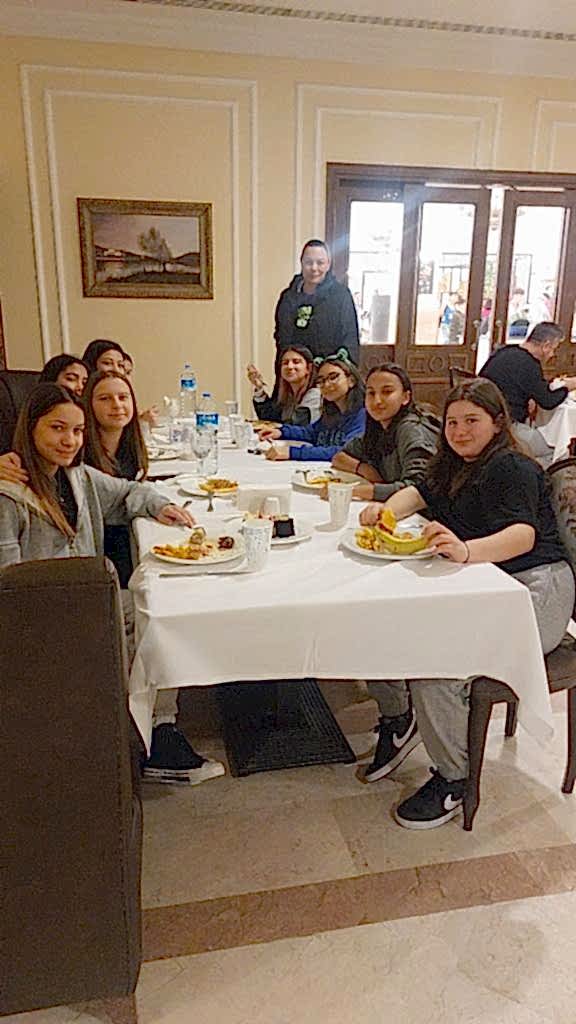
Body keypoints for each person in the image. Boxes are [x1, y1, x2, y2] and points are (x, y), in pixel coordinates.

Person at [359, 378, 574, 829]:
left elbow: (523, 536)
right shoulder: (452, 463)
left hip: (535, 590)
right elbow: (419, 492)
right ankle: (401, 718)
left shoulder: (512, 467)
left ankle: (454, 779)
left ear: (497, 422)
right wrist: (386, 512)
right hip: (487, 584)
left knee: (439, 666)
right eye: (452, 422)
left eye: (471, 421)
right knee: (380, 619)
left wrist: (465, 550)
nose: (459, 431)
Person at [0, 384, 225, 786]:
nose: (69, 441)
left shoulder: (76, 477)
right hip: (41, 622)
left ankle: (158, 729)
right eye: (57, 428)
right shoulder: (10, 495)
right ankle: (150, 737)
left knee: (159, 612)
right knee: (151, 623)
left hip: (89, 603)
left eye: (77, 431)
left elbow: (127, 492)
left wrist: (161, 506)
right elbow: (9, 586)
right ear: (30, 428)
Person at [332, 363, 440, 501]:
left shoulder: (412, 429)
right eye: (371, 393)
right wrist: (363, 468)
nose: (377, 401)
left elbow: (418, 488)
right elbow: (340, 457)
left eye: (387, 392)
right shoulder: (378, 427)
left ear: (406, 397)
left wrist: (350, 491)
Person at [82, 370, 148, 588]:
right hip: (99, 550)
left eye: (123, 397)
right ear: (89, 405)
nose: (117, 405)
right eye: (105, 398)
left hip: (123, 538)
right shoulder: (78, 451)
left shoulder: (130, 446)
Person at [480, 321, 576, 466]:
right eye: (553, 349)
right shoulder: (529, 364)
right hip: (505, 427)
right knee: (555, 449)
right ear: (546, 345)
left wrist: (530, 397)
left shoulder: (506, 351)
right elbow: (548, 401)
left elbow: (528, 387)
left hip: (487, 417)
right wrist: (568, 387)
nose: (552, 354)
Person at [259, 351, 365, 461]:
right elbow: (311, 432)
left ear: (351, 380)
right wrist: (281, 431)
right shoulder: (332, 412)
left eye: (333, 377)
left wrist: (293, 452)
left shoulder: (362, 415)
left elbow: (345, 452)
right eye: (321, 381)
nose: (326, 384)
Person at [273, 240, 359, 364]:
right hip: (296, 370)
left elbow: (350, 338)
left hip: (330, 369)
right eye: (309, 262)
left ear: (328, 264)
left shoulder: (341, 296)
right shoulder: (288, 298)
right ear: (301, 263)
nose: (314, 268)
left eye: (320, 263)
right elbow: (282, 339)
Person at [247, 345, 321, 425]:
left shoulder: (315, 395)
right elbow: (270, 418)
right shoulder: (287, 396)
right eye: (285, 363)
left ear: (308, 368)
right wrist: (259, 387)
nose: (289, 366)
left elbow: (297, 425)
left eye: (296, 362)